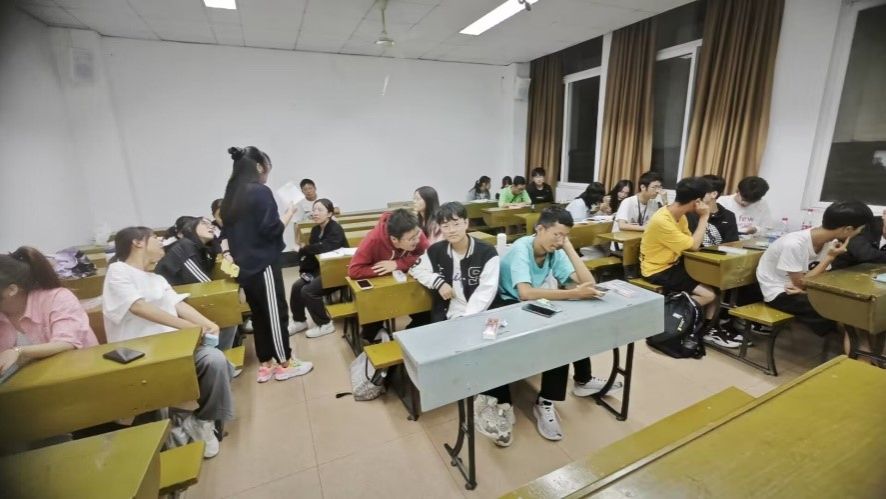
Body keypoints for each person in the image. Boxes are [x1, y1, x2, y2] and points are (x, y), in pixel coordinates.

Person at [477, 206, 617, 446]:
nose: (559, 241)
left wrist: (568, 247)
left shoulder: (555, 249)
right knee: (511, 342)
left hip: (529, 303)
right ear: (540, 229)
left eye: (565, 236)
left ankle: (548, 401)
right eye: (557, 235)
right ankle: (501, 404)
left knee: (563, 332)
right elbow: (525, 292)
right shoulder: (522, 247)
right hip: (503, 304)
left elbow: (588, 283)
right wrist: (574, 294)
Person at [102, 227, 233, 458]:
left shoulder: (157, 278)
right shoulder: (118, 271)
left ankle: (204, 422)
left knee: (215, 360)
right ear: (137, 242)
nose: (161, 240)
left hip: (176, 351)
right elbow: (138, 306)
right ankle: (179, 425)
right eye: (155, 237)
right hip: (139, 358)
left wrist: (208, 324)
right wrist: (190, 327)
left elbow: (179, 305)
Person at [220, 146, 312, 383]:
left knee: (259, 315)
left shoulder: (231, 194)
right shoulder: (260, 191)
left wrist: (229, 253)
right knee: (276, 313)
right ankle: (285, 363)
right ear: (259, 166)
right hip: (263, 265)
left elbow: (227, 232)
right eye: (268, 168)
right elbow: (271, 230)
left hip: (244, 267)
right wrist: (289, 212)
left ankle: (266, 364)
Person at [756, 201, 872, 337]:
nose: (859, 233)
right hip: (779, 291)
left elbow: (819, 277)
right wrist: (829, 257)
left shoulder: (831, 241)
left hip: (802, 287)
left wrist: (809, 290)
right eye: (860, 230)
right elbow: (799, 284)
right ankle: (851, 348)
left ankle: (854, 345)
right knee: (843, 314)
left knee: (851, 309)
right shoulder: (794, 244)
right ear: (847, 229)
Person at [640, 177, 732, 347]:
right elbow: (694, 245)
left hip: (675, 263)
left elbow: (690, 243)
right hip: (658, 269)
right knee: (709, 295)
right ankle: (671, 312)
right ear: (696, 201)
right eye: (703, 200)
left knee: (716, 284)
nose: (705, 204)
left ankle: (705, 328)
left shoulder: (679, 216)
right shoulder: (663, 220)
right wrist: (704, 217)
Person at [0, 247, 98, 377]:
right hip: (29, 381)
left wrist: (18, 351)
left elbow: (67, 343)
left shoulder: (57, 298)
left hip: (80, 374)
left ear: (12, 290)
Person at [154, 217, 240, 353]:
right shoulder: (185, 246)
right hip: (172, 305)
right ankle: (217, 355)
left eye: (211, 224)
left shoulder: (202, 248)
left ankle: (219, 355)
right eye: (204, 223)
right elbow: (203, 282)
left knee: (229, 312)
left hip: (188, 297)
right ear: (191, 228)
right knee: (227, 313)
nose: (211, 226)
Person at [410, 202, 500, 322]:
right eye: (445, 226)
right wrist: (439, 283)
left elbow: (486, 290)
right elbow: (416, 269)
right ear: (440, 228)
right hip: (449, 315)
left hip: (481, 314)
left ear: (466, 223)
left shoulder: (487, 252)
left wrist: (467, 318)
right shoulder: (435, 250)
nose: (451, 230)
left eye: (456, 224)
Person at [348, 209, 429, 341]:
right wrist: (383, 269)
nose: (417, 240)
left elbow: (429, 255)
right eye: (411, 239)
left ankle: (408, 339)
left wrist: (398, 264)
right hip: (381, 289)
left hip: (409, 286)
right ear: (394, 239)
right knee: (371, 323)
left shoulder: (414, 231)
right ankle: (377, 337)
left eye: (418, 235)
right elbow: (354, 270)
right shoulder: (373, 239)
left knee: (427, 314)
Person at [289, 198, 348, 338]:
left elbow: (324, 248)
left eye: (319, 210)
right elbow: (313, 253)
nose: (315, 213)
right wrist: (305, 272)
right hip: (321, 269)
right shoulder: (315, 230)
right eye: (314, 210)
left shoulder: (335, 229)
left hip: (337, 271)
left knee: (308, 291)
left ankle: (325, 324)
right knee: (297, 286)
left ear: (329, 214)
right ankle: (299, 321)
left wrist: (303, 249)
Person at [686, 174, 739, 246]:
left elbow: (732, 244)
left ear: (714, 194)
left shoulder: (729, 216)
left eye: (700, 191)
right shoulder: (688, 213)